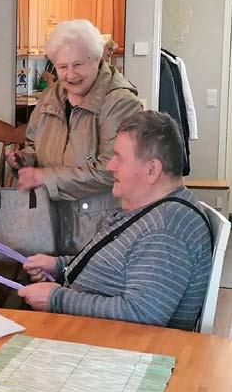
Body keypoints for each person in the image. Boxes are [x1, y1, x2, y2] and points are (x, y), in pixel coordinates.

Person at [18, 111, 212, 331]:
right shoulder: (154, 211)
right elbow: (120, 264)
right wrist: (59, 266)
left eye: (119, 157)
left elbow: (142, 315)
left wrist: (56, 299)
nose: (110, 166)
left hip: (108, 343)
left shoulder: (165, 232)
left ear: (152, 169)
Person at [7, 19, 142, 255]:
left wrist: (43, 176)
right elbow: (35, 146)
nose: (70, 75)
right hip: (49, 222)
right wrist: (24, 160)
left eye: (78, 64)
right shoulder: (50, 97)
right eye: (62, 67)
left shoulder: (120, 102)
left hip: (98, 228)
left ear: (96, 59)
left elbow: (111, 171)